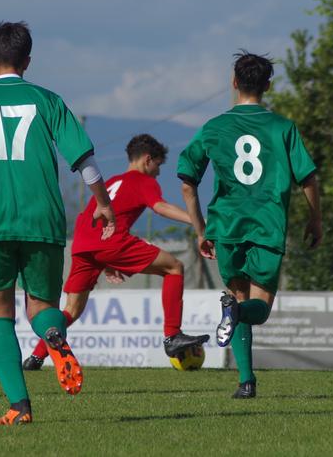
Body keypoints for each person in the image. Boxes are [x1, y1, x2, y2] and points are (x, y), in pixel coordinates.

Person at [0, 21, 116, 425]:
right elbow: (84, 161)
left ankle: (19, 406)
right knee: (42, 307)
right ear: (28, 61)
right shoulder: (47, 100)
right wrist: (103, 203)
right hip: (43, 219)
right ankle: (54, 336)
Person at [177, 51, 321, 399]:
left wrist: (201, 230)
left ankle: (246, 381)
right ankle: (237, 321)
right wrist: (315, 219)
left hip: (227, 226)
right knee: (258, 307)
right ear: (268, 85)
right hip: (267, 225)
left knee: (237, 295)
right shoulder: (282, 128)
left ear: (233, 83)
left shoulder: (214, 127)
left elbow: (186, 182)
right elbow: (308, 178)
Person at [23, 134, 208, 370]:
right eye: (158, 166)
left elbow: (93, 215)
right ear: (148, 160)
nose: (158, 173)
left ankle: (36, 358)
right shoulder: (142, 180)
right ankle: (172, 336)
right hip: (111, 241)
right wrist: (196, 220)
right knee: (174, 267)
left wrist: (106, 262)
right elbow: (160, 207)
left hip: (82, 245)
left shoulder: (111, 182)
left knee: (71, 310)